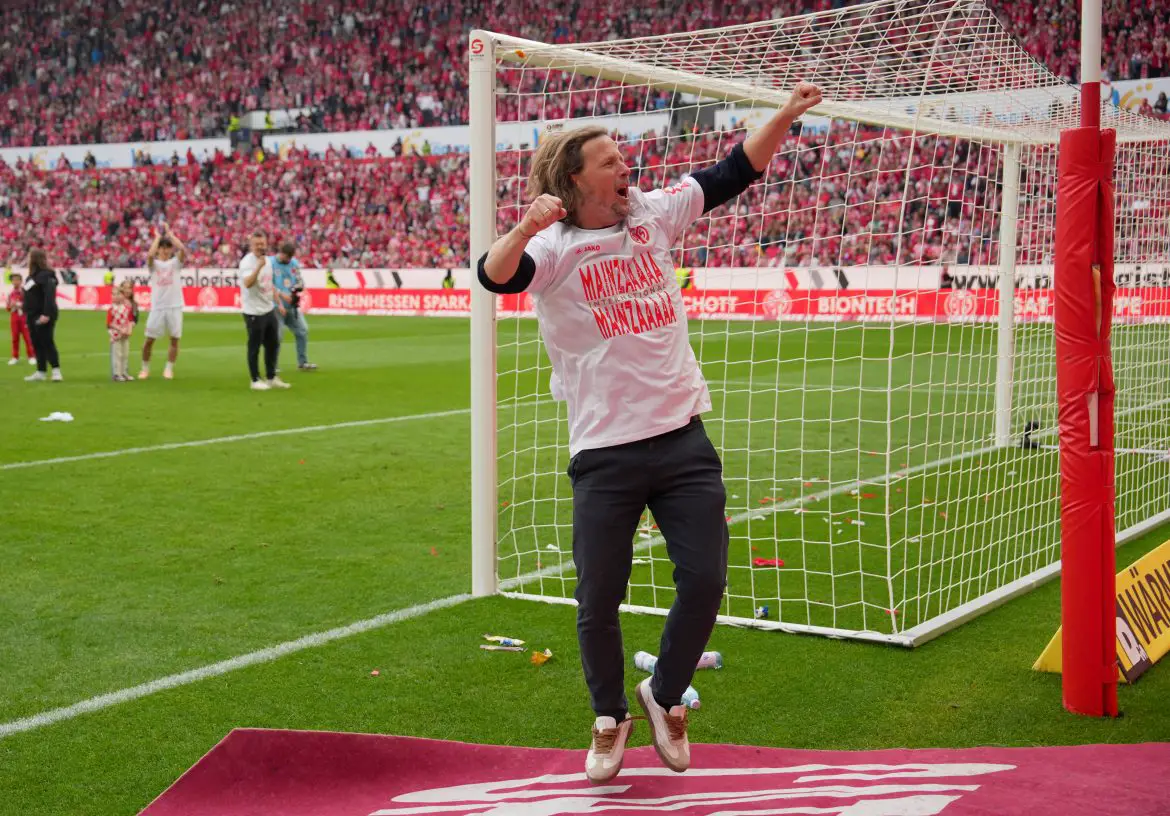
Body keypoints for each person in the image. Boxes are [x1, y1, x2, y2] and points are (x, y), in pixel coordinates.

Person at [477, 81, 823, 783]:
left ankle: (664, 697)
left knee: (706, 579)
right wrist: (520, 226)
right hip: (604, 450)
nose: (625, 164)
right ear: (576, 179)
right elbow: (494, 278)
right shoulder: (553, 246)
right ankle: (610, 717)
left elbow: (733, 172)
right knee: (597, 598)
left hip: (682, 437)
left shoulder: (654, 216)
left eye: (621, 154)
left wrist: (782, 117)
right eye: (609, 159)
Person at [239, 231, 290, 391]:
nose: (260, 247)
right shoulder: (247, 262)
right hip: (254, 311)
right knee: (254, 347)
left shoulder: (267, 260)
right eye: (257, 244)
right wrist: (258, 267)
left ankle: (271, 377)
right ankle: (254, 379)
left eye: (262, 243)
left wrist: (278, 302)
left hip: (268, 309)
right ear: (251, 245)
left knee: (273, 344)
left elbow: (270, 284)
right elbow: (247, 283)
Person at [139, 224, 187, 380]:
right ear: (159, 249)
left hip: (175, 306)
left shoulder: (175, 263)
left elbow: (183, 250)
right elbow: (149, 256)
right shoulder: (155, 265)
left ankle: (169, 369)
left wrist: (170, 234)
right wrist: (158, 237)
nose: (165, 250)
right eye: (162, 248)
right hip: (158, 307)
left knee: (174, 339)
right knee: (149, 340)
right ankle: (145, 368)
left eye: (168, 248)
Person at [270, 241, 316, 371]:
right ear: (281, 253)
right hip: (275, 306)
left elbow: (299, 280)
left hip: (291, 306)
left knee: (302, 330)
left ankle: (302, 362)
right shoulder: (270, 263)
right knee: (277, 336)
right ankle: (273, 365)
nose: (289, 260)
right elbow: (268, 284)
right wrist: (281, 296)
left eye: (290, 258)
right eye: (287, 257)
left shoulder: (293, 264)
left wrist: (298, 287)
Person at [22, 248, 64, 382]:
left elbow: (49, 296)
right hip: (31, 315)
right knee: (36, 343)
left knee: (47, 341)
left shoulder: (47, 276)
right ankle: (41, 371)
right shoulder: (31, 277)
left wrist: (46, 314)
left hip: (43, 314)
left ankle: (56, 370)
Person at [107, 285, 136, 382]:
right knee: (117, 354)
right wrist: (119, 329)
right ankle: (116, 373)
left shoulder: (126, 308)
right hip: (116, 335)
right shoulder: (112, 309)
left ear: (123, 296)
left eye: (118, 294)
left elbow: (130, 320)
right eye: (114, 294)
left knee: (125, 354)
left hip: (125, 335)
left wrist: (128, 329)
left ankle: (124, 372)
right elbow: (109, 323)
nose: (116, 296)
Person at [6, 271, 35, 366]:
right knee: (15, 338)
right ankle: (15, 357)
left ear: (21, 281)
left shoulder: (25, 292)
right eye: (13, 280)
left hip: (24, 317)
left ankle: (31, 356)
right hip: (14, 317)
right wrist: (11, 305)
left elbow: (30, 305)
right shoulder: (11, 294)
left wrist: (20, 305)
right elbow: (8, 308)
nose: (15, 282)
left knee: (27, 337)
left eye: (17, 280)